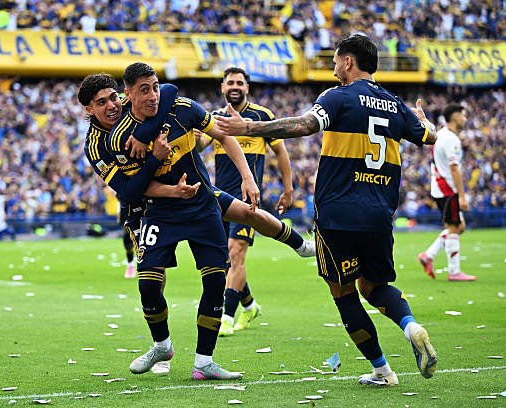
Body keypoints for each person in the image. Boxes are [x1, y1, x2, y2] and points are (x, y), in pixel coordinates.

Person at [215, 35, 439, 386]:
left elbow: (304, 125)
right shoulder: (396, 105)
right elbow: (430, 136)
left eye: (335, 62)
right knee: (374, 286)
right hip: (380, 215)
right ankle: (411, 326)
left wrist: (249, 127)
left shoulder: (337, 97)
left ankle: (383, 371)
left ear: (348, 62)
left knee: (344, 293)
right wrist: (426, 122)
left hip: (337, 215)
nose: (334, 69)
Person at [108, 62, 263, 381]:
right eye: (143, 90)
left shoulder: (183, 108)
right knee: (148, 284)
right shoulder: (121, 135)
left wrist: (247, 178)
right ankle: (161, 345)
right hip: (160, 211)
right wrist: (170, 188)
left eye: (155, 87)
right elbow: (136, 187)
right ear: (128, 94)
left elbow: (223, 135)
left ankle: (204, 361)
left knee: (215, 280)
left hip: (202, 206)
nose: (152, 96)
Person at [78, 73, 195, 375]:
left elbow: (169, 89)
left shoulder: (132, 104)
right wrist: (153, 158)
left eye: (113, 97)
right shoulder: (95, 146)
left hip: (177, 188)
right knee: (153, 279)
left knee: (234, 223)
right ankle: (162, 345)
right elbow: (128, 191)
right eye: (101, 102)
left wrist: (143, 135)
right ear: (89, 109)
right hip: (141, 207)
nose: (112, 106)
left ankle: (298, 245)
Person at [196, 67, 298, 337]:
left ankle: (226, 317)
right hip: (221, 200)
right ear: (222, 87)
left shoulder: (262, 116)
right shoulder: (214, 118)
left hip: (248, 199)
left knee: (236, 252)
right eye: (230, 82)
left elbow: (281, 152)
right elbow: (200, 146)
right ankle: (250, 305)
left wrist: (288, 189)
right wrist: (193, 140)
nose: (235, 86)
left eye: (239, 83)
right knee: (224, 260)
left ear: (247, 88)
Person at [418, 104, 476, 281]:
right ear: (455, 116)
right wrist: (462, 195)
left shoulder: (441, 134)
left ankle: (428, 255)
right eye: (463, 115)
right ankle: (454, 271)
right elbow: (454, 168)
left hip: (439, 185)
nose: (465, 119)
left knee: (459, 226)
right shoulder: (451, 139)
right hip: (447, 188)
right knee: (453, 228)